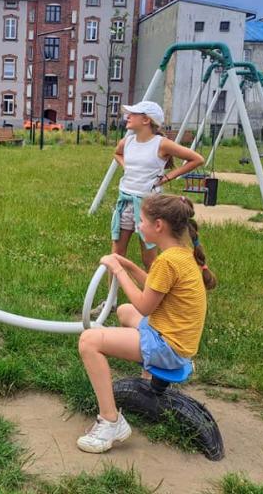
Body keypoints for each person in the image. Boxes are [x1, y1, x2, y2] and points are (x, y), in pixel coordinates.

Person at [77, 194, 216, 454]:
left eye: (142, 221)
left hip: (169, 348)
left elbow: (145, 305)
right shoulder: (182, 255)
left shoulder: (167, 261)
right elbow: (154, 288)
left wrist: (118, 271)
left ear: (159, 225)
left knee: (89, 341)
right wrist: (128, 265)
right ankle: (148, 377)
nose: (139, 226)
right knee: (125, 311)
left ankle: (110, 422)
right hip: (178, 341)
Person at [111, 101, 204, 269]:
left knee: (149, 258)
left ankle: (153, 293)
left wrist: (168, 177)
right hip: (125, 203)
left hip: (149, 206)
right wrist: (126, 166)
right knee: (117, 254)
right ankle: (112, 296)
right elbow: (117, 153)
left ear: (146, 120)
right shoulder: (127, 142)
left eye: (133, 114)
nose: (128, 117)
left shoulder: (161, 143)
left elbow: (197, 159)